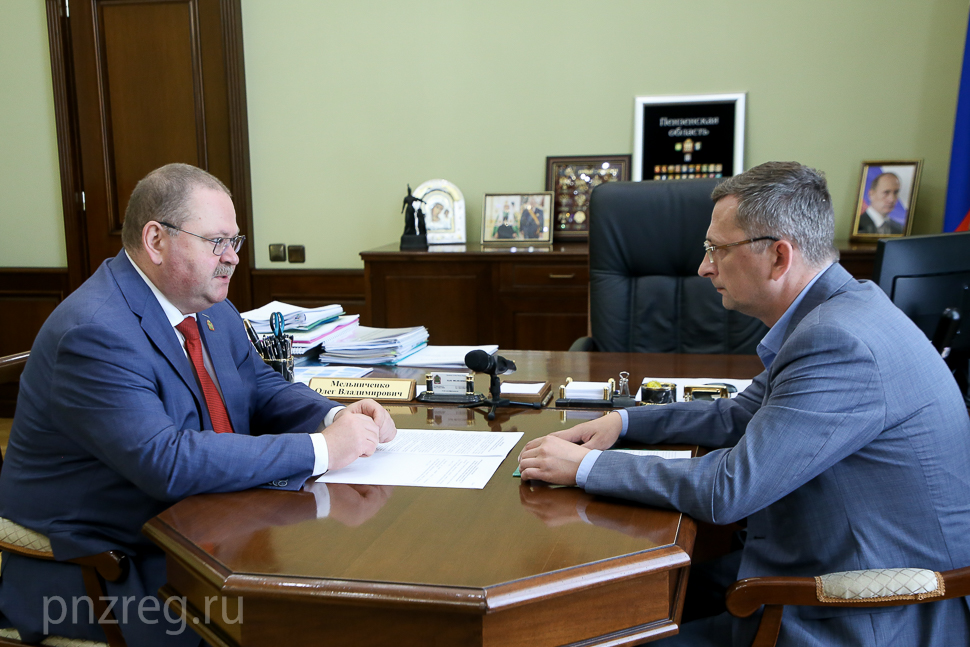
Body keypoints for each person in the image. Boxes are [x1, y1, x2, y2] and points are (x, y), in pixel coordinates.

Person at [519, 161, 970, 646]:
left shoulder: (838, 341)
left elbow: (728, 489)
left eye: (717, 249)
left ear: (779, 256)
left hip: (859, 613)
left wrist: (586, 468)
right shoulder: (840, 309)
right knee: (607, 606)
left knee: (583, 627)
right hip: (822, 561)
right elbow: (737, 413)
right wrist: (623, 421)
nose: (703, 266)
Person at [0, 163, 397, 646]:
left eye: (235, 241)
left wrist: (336, 414)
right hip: (107, 571)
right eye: (216, 242)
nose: (231, 258)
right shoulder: (94, 333)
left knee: (342, 594)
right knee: (315, 623)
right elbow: (165, 461)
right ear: (156, 239)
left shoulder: (210, 308)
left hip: (207, 533)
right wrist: (321, 450)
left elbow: (259, 385)